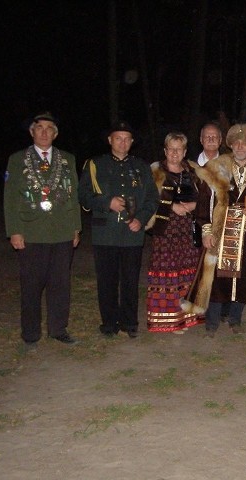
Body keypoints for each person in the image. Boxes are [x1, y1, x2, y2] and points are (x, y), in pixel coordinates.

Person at [185, 123, 246, 337]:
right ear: (230, 145)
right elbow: (204, 203)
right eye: (236, 143)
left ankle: (235, 319)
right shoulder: (216, 167)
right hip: (221, 232)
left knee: (243, 277)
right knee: (216, 277)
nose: (240, 147)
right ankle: (211, 322)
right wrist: (207, 231)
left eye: (245, 143)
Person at [4, 112, 81, 346]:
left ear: (56, 134)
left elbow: (74, 194)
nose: (45, 132)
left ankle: (58, 329)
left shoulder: (67, 159)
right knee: (31, 285)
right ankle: (31, 333)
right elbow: (10, 198)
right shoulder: (18, 159)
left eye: (50, 128)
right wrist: (14, 230)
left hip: (61, 231)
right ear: (32, 131)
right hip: (32, 231)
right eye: (40, 128)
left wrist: (76, 228)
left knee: (60, 284)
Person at [79, 121, 159, 338]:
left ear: (132, 142)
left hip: (132, 234)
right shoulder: (95, 164)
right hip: (105, 233)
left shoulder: (141, 167)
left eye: (127, 139)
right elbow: (83, 195)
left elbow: (152, 197)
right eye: (118, 138)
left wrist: (141, 219)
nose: (122, 142)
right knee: (107, 281)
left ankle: (130, 322)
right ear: (110, 140)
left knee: (131, 280)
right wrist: (107, 203)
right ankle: (109, 323)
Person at [145, 132, 212, 333]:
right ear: (165, 151)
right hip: (165, 230)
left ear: (184, 151)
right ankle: (169, 320)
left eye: (179, 149)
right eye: (171, 149)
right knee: (167, 275)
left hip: (188, 230)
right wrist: (171, 206)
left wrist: (193, 204)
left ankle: (188, 317)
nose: (175, 153)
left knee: (188, 274)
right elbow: (147, 199)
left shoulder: (193, 171)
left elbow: (206, 197)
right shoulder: (155, 171)